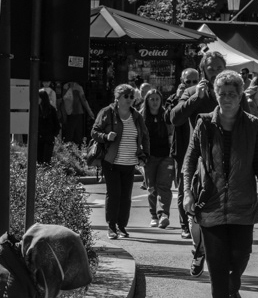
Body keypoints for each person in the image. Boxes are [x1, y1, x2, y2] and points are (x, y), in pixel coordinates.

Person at [182, 70, 258, 298]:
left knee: (241, 254)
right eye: (222, 93)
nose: (226, 98)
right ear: (216, 94)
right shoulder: (204, 123)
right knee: (216, 259)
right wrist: (187, 193)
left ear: (239, 96)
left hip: (242, 203)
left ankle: (233, 287)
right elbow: (189, 162)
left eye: (231, 94)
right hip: (211, 202)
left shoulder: (253, 125)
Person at [172, 51, 227, 271]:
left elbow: (250, 124)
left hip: (226, 162)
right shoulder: (193, 92)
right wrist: (196, 97)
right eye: (211, 68)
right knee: (195, 211)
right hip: (199, 161)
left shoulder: (234, 92)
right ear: (203, 69)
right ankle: (199, 249)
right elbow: (174, 118)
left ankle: (221, 261)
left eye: (219, 68)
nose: (215, 73)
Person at [92, 83, 149, 240]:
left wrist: (145, 156)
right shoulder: (107, 112)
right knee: (114, 194)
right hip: (111, 162)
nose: (130, 99)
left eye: (131, 96)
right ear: (117, 98)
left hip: (130, 162)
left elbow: (144, 136)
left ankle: (121, 226)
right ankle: (111, 227)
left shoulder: (136, 115)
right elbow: (94, 132)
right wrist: (105, 136)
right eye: (126, 96)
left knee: (126, 196)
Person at [167, 68, 200, 239]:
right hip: (182, 151)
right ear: (182, 81)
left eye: (195, 81)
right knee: (183, 189)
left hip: (201, 151)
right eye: (188, 82)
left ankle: (199, 222)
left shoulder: (203, 95)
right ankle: (184, 225)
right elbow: (169, 118)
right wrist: (178, 100)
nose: (192, 85)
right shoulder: (176, 99)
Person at [141, 87, 174, 228]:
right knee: (151, 187)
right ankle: (153, 215)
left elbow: (172, 134)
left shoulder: (166, 115)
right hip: (149, 157)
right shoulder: (141, 117)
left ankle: (164, 214)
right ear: (147, 101)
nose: (154, 102)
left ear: (161, 100)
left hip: (166, 156)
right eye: (152, 99)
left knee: (164, 186)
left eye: (157, 99)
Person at [60, 79, 94, 146]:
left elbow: (84, 100)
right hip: (66, 113)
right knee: (68, 133)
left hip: (76, 112)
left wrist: (89, 112)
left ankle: (77, 151)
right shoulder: (65, 86)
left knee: (75, 134)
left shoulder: (78, 87)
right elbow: (62, 100)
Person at [35, 87, 59, 164]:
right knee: (39, 159)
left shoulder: (51, 110)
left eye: (38, 97)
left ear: (42, 98)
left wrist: (53, 135)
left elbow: (56, 124)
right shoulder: (36, 109)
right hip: (39, 137)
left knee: (46, 160)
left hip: (48, 137)